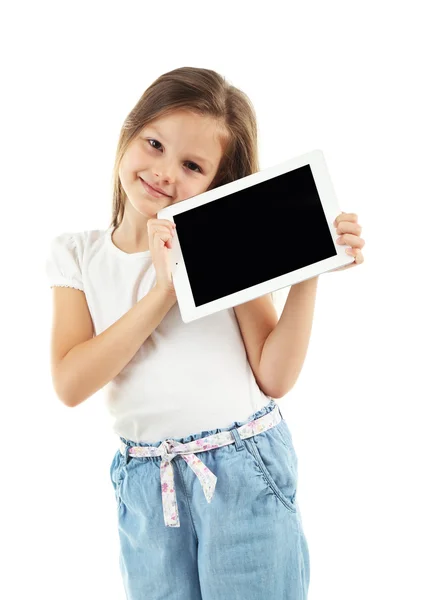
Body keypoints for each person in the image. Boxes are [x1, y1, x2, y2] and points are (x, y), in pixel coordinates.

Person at [46, 66, 314, 600]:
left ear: (215, 184)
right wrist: (163, 293)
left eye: (192, 165)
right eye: (154, 144)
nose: (165, 172)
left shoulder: (219, 246)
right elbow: (71, 383)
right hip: (148, 481)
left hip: (243, 468)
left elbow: (275, 375)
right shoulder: (77, 255)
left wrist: (309, 273)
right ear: (129, 133)